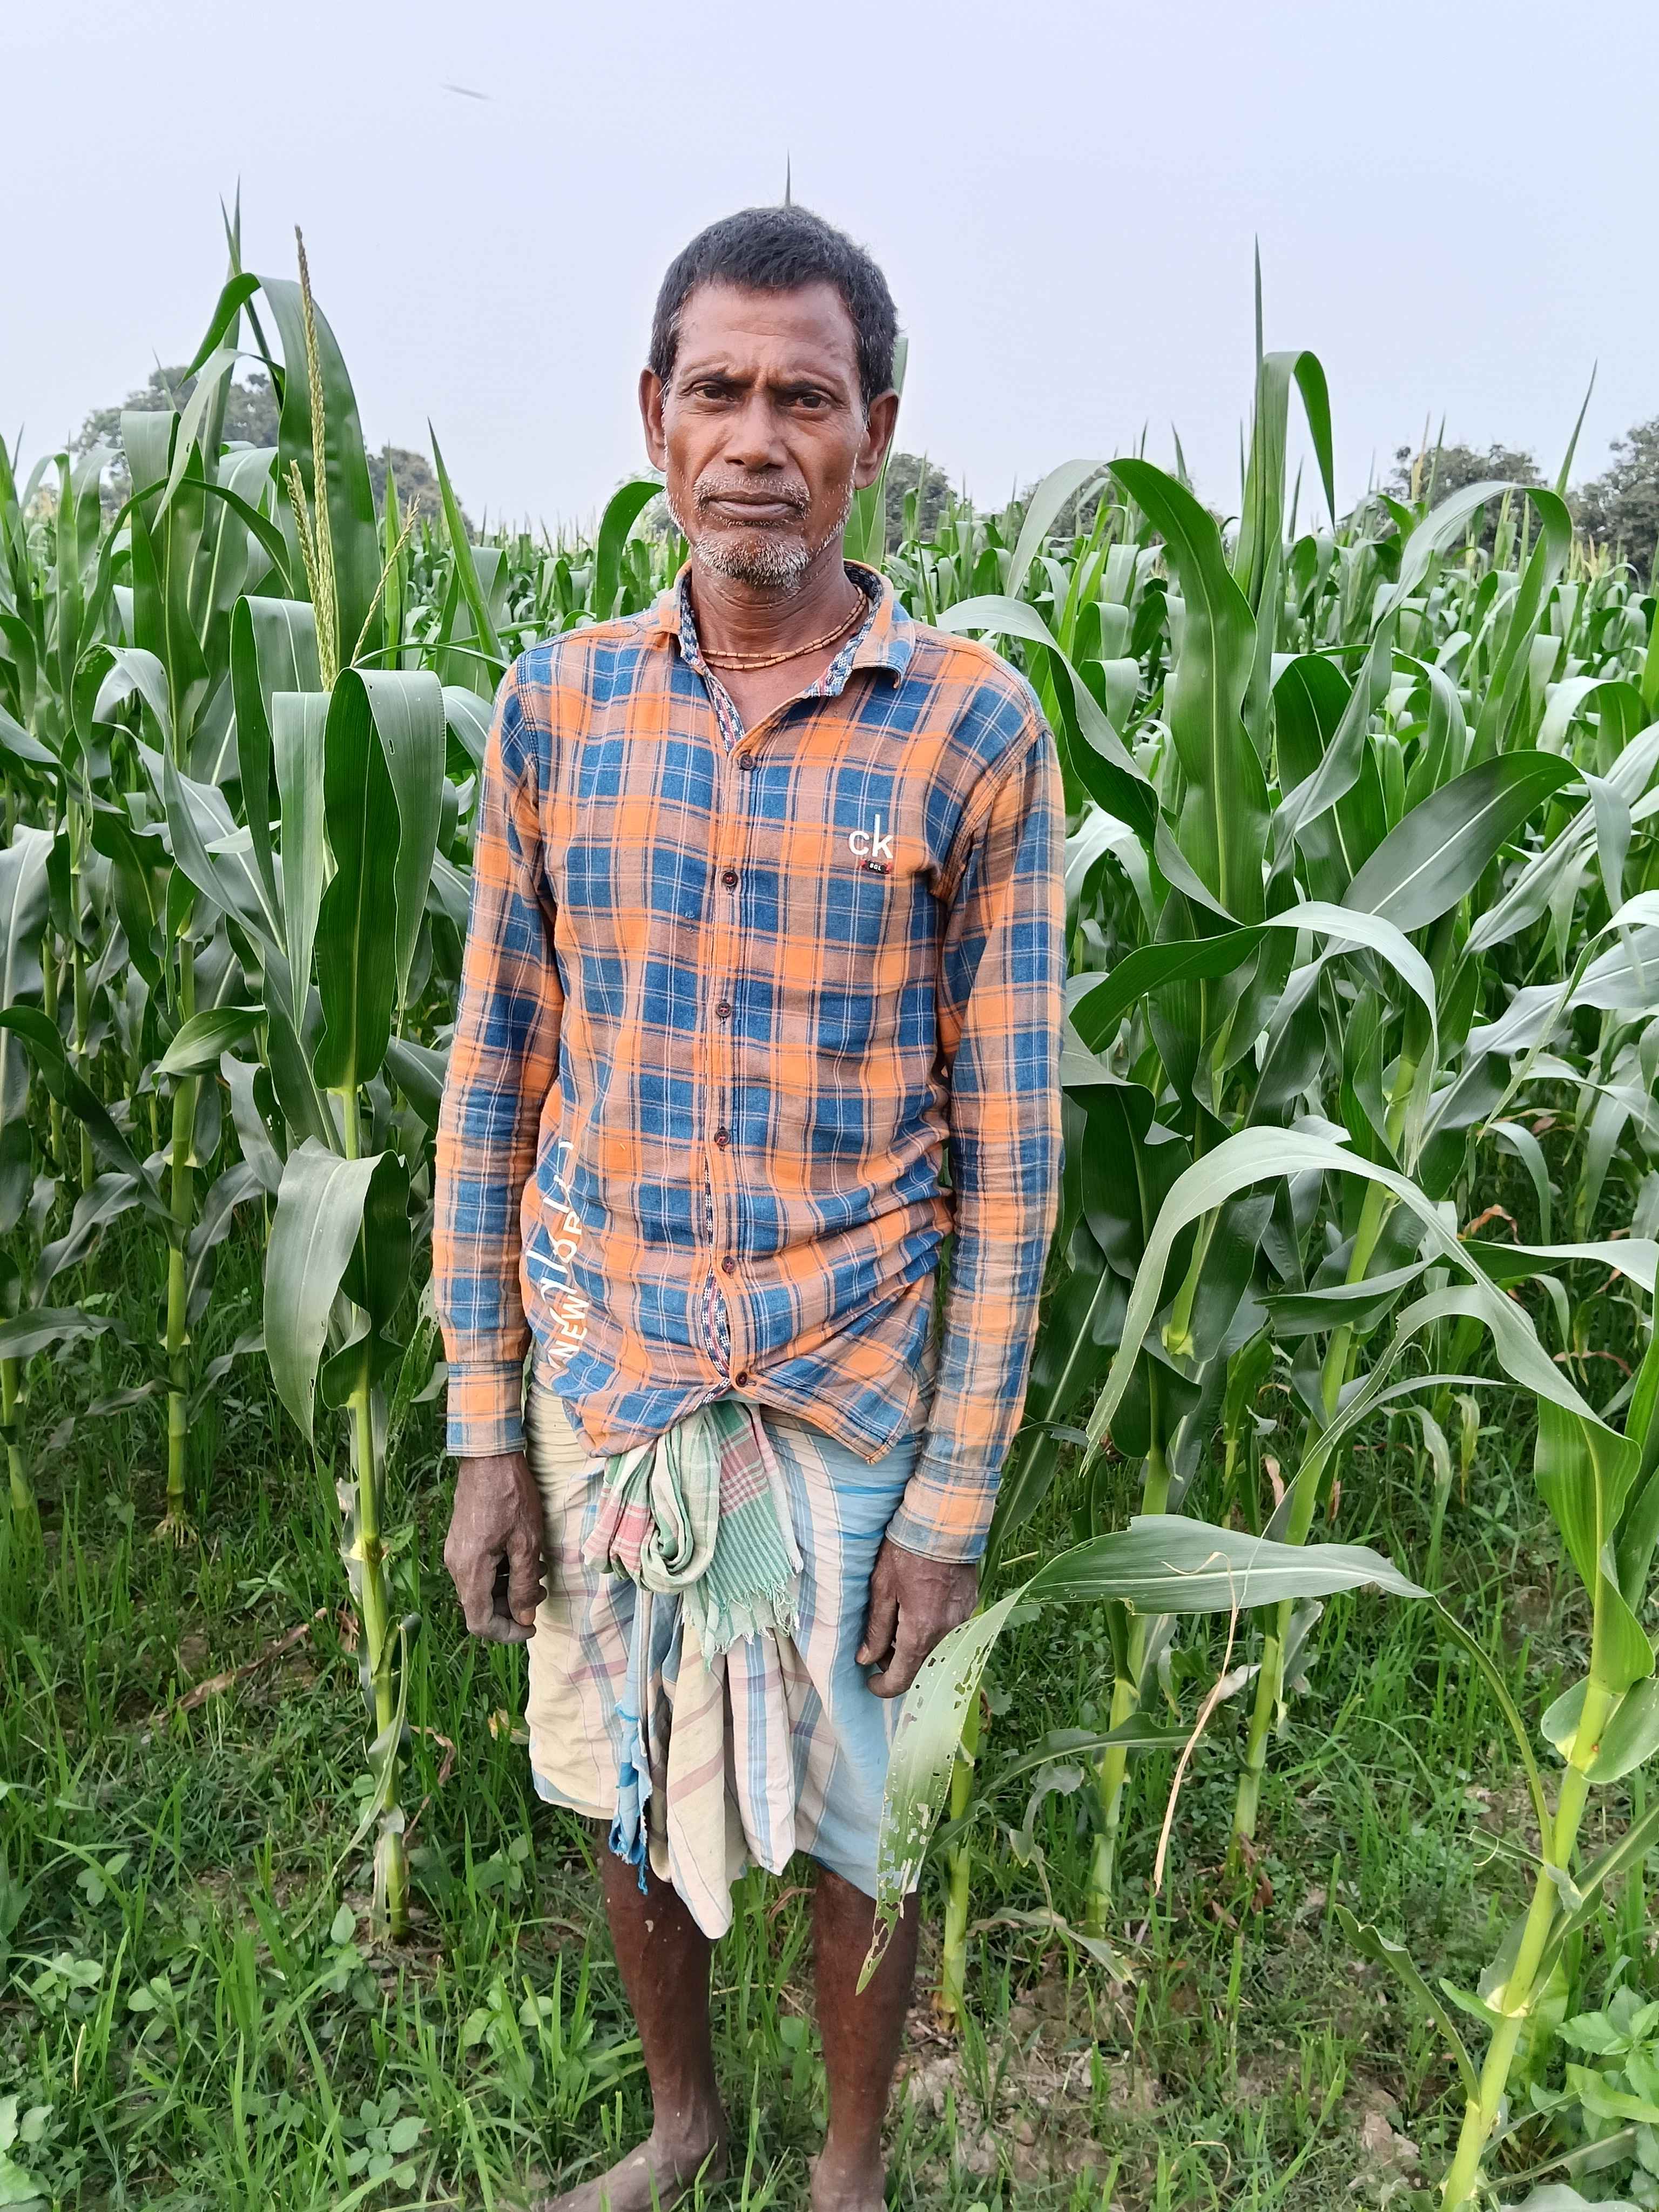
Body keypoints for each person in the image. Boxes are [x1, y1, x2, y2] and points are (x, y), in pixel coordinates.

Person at [433, 202, 1067, 2212]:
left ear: (877, 428)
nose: (758, 439)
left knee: (866, 1816)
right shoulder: (554, 710)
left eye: (807, 396)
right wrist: (483, 1426)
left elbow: (1015, 1152)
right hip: (610, 1373)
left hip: (847, 1390)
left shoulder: (973, 729)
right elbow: (495, 1074)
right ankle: (686, 2123)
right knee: (626, 1777)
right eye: (719, 391)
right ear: (655, 419)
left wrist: (953, 1502)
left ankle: (848, 2171)